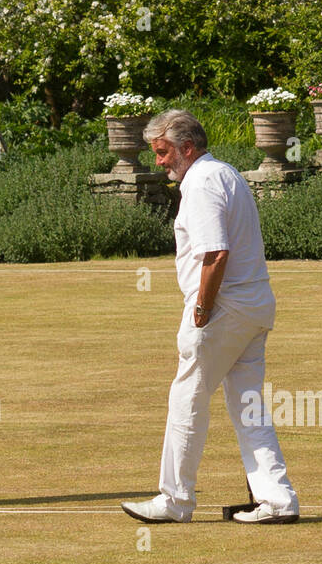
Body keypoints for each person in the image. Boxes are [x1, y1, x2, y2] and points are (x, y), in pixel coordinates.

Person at [121, 109, 299, 525]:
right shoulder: (225, 172)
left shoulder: (200, 182)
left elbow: (216, 253)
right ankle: (277, 500)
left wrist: (201, 310)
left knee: (186, 398)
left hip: (225, 308)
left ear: (186, 148)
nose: (159, 161)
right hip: (255, 305)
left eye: (163, 153)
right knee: (248, 405)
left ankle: (175, 500)